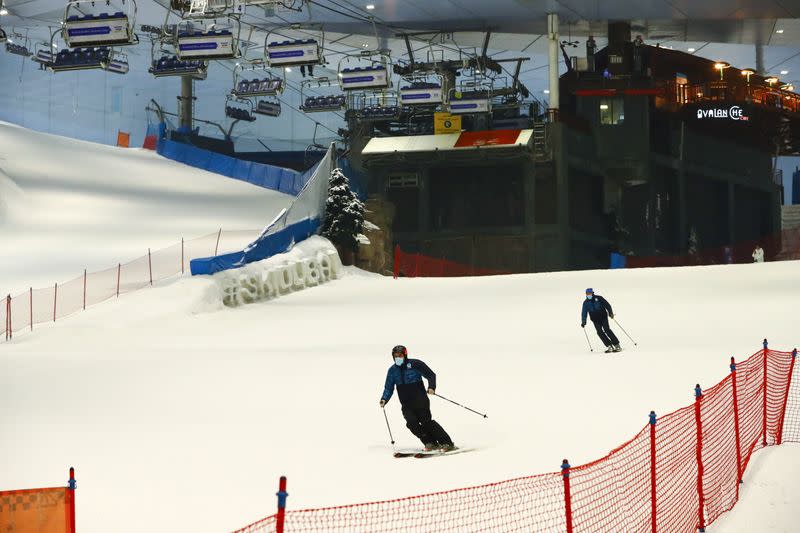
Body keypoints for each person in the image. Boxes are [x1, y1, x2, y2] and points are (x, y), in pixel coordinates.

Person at [380, 345, 455, 452]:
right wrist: (384, 399)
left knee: (426, 422)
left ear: (405, 355)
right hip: (406, 403)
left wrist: (431, 387)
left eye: (400, 355)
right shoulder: (392, 370)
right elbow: (388, 387)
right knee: (411, 423)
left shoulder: (415, 364)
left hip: (420, 400)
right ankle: (430, 442)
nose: (397, 358)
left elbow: (431, 375)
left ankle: (447, 443)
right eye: (395, 356)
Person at [581, 288, 621, 353]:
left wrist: (610, 313)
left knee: (607, 329)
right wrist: (583, 321)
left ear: (592, 293)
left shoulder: (599, 298)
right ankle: (609, 346)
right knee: (599, 332)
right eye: (587, 294)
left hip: (603, 317)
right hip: (595, 320)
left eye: (590, 293)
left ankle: (617, 345)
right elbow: (584, 312)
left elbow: (607, 305)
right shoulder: (585, 303)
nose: (589, 295)